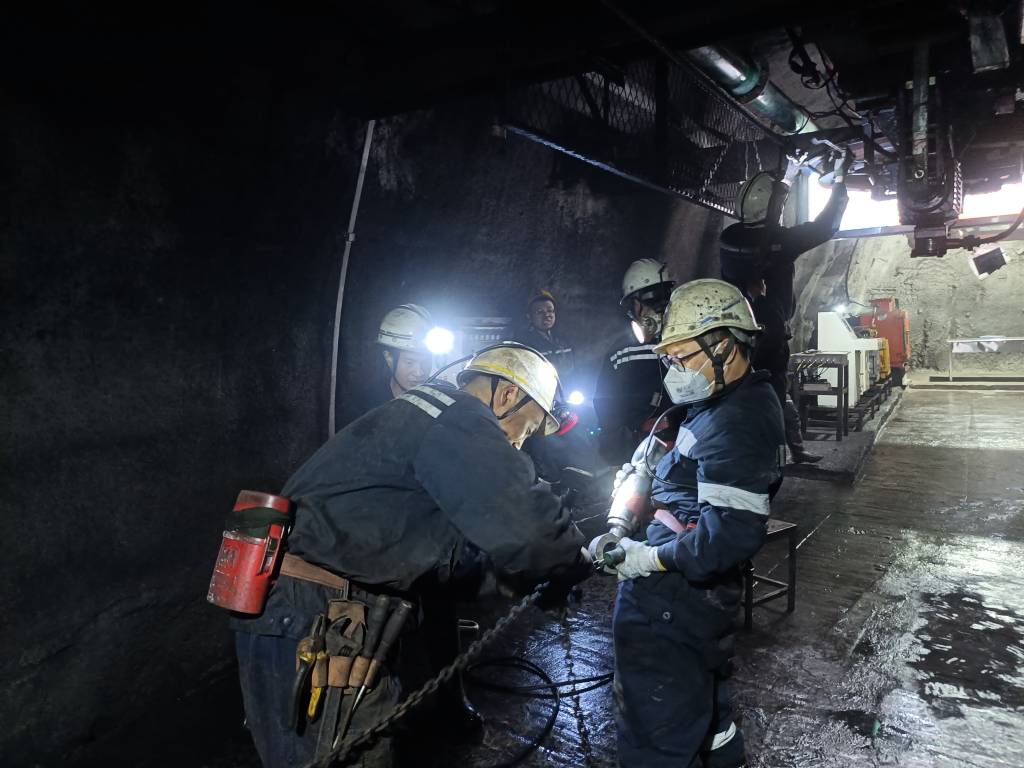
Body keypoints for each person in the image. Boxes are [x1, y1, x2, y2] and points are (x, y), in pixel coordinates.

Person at [232, 343, 589, 768]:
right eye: (525, 429)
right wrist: (573, 562)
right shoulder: (460, 417)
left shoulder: (419, 415)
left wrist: (519, 581)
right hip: (321, 617)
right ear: (507, 395)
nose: (518, 443)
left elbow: (443, 558)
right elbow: (532, 528)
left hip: (287, 610)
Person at [610, 279, 785, 768]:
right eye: (669, 359)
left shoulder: (739, 419)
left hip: (676, 600)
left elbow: (725, 539)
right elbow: (695, 471)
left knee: (658, 732)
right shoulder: (720, 398)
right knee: (704, 710)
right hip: (687, 600)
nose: (675, 371)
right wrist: (650, 475)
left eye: (682, 357)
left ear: (724, 345)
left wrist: (648, 559)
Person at [720, 153, 850, 463]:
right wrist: (840, 181)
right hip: (771, 333)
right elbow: (826, 226)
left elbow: (766, 222)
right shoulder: (781, 242)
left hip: (737, 332)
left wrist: (788, 177)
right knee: (775, 393)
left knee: (752, 391)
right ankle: (776, 457)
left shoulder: (729, 238)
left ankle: (787, 450)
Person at [593, 258, 675, 466]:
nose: (659, 307)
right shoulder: (623, 349)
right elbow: (606, 404)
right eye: (653, 299)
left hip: (675, 440)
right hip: (641, 445)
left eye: (663, 298)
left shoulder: (683, 341)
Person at [515, 289, 575, 383]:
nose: (547, 315)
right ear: (529, 317)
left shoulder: (564, 338)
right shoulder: (525, 345)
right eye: (540, 312)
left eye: (550, 311)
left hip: (567, 388)